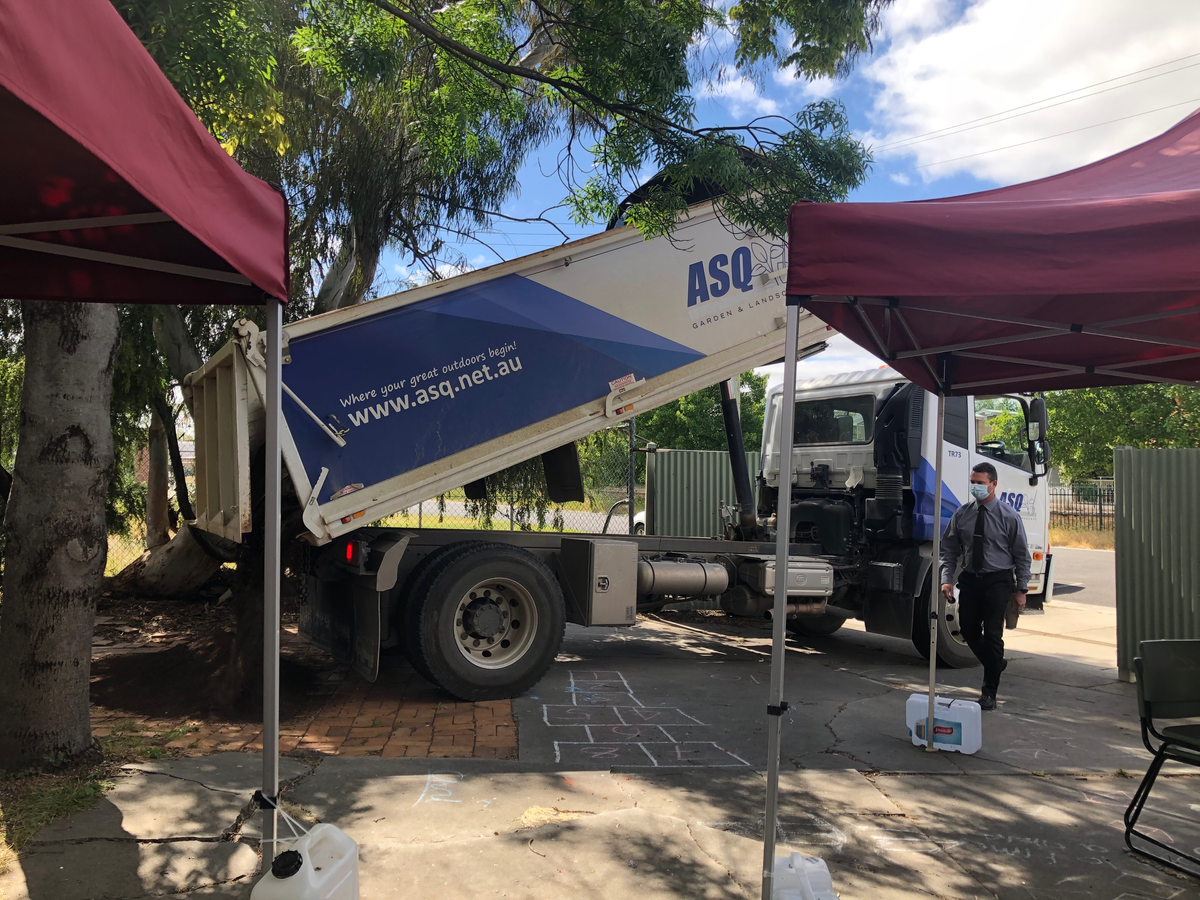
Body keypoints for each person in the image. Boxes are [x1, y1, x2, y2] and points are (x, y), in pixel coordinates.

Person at [939, 461, 1031, 710]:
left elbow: (1022, 556)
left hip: (997, 580)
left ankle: (989, 693)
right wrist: (946, 579)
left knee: (992, 634)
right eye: (973, 482)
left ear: (993, 484)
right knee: (968, 630)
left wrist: (1021, 590)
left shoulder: (1008, 516)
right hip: (971, 579)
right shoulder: (962, 514)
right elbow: (949, 549)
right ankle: (996, 662)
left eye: (980, 483)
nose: (975, 487)